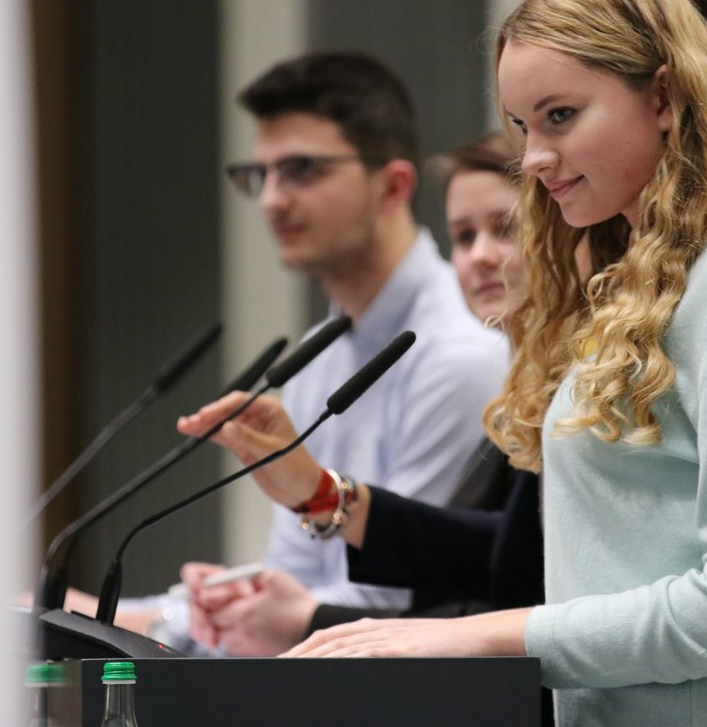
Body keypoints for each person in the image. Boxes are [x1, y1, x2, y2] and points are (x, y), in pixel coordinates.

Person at [179, 0, 707, 663]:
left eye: (561, 116)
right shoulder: (627, 296)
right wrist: (326, 497)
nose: (535, 158)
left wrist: (468, 634)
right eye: (524, 126)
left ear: (667, 96)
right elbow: (540, 558)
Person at [94, 51, 509, 645]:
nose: (272, 200)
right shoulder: (319, 351)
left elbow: (392, 594)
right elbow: (296, 577)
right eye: (261, 176)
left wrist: (160, 623)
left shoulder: (461, 351)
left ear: (392, 186)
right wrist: (206, 606)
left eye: (302, 170)